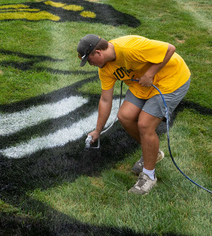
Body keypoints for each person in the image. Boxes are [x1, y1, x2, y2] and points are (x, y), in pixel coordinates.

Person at [79, 34, 191, 195]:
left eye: (89, 60)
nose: (90, 64)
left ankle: (149, 176)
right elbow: (105, 100)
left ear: (98, 52)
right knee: (124, 116)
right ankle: (153, 153)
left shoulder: (129, 47)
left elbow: (170, 49)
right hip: (142, 84)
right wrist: (97, 130)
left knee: (145, 124)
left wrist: (150, 74)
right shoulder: (105, 68)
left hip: (171, 80)